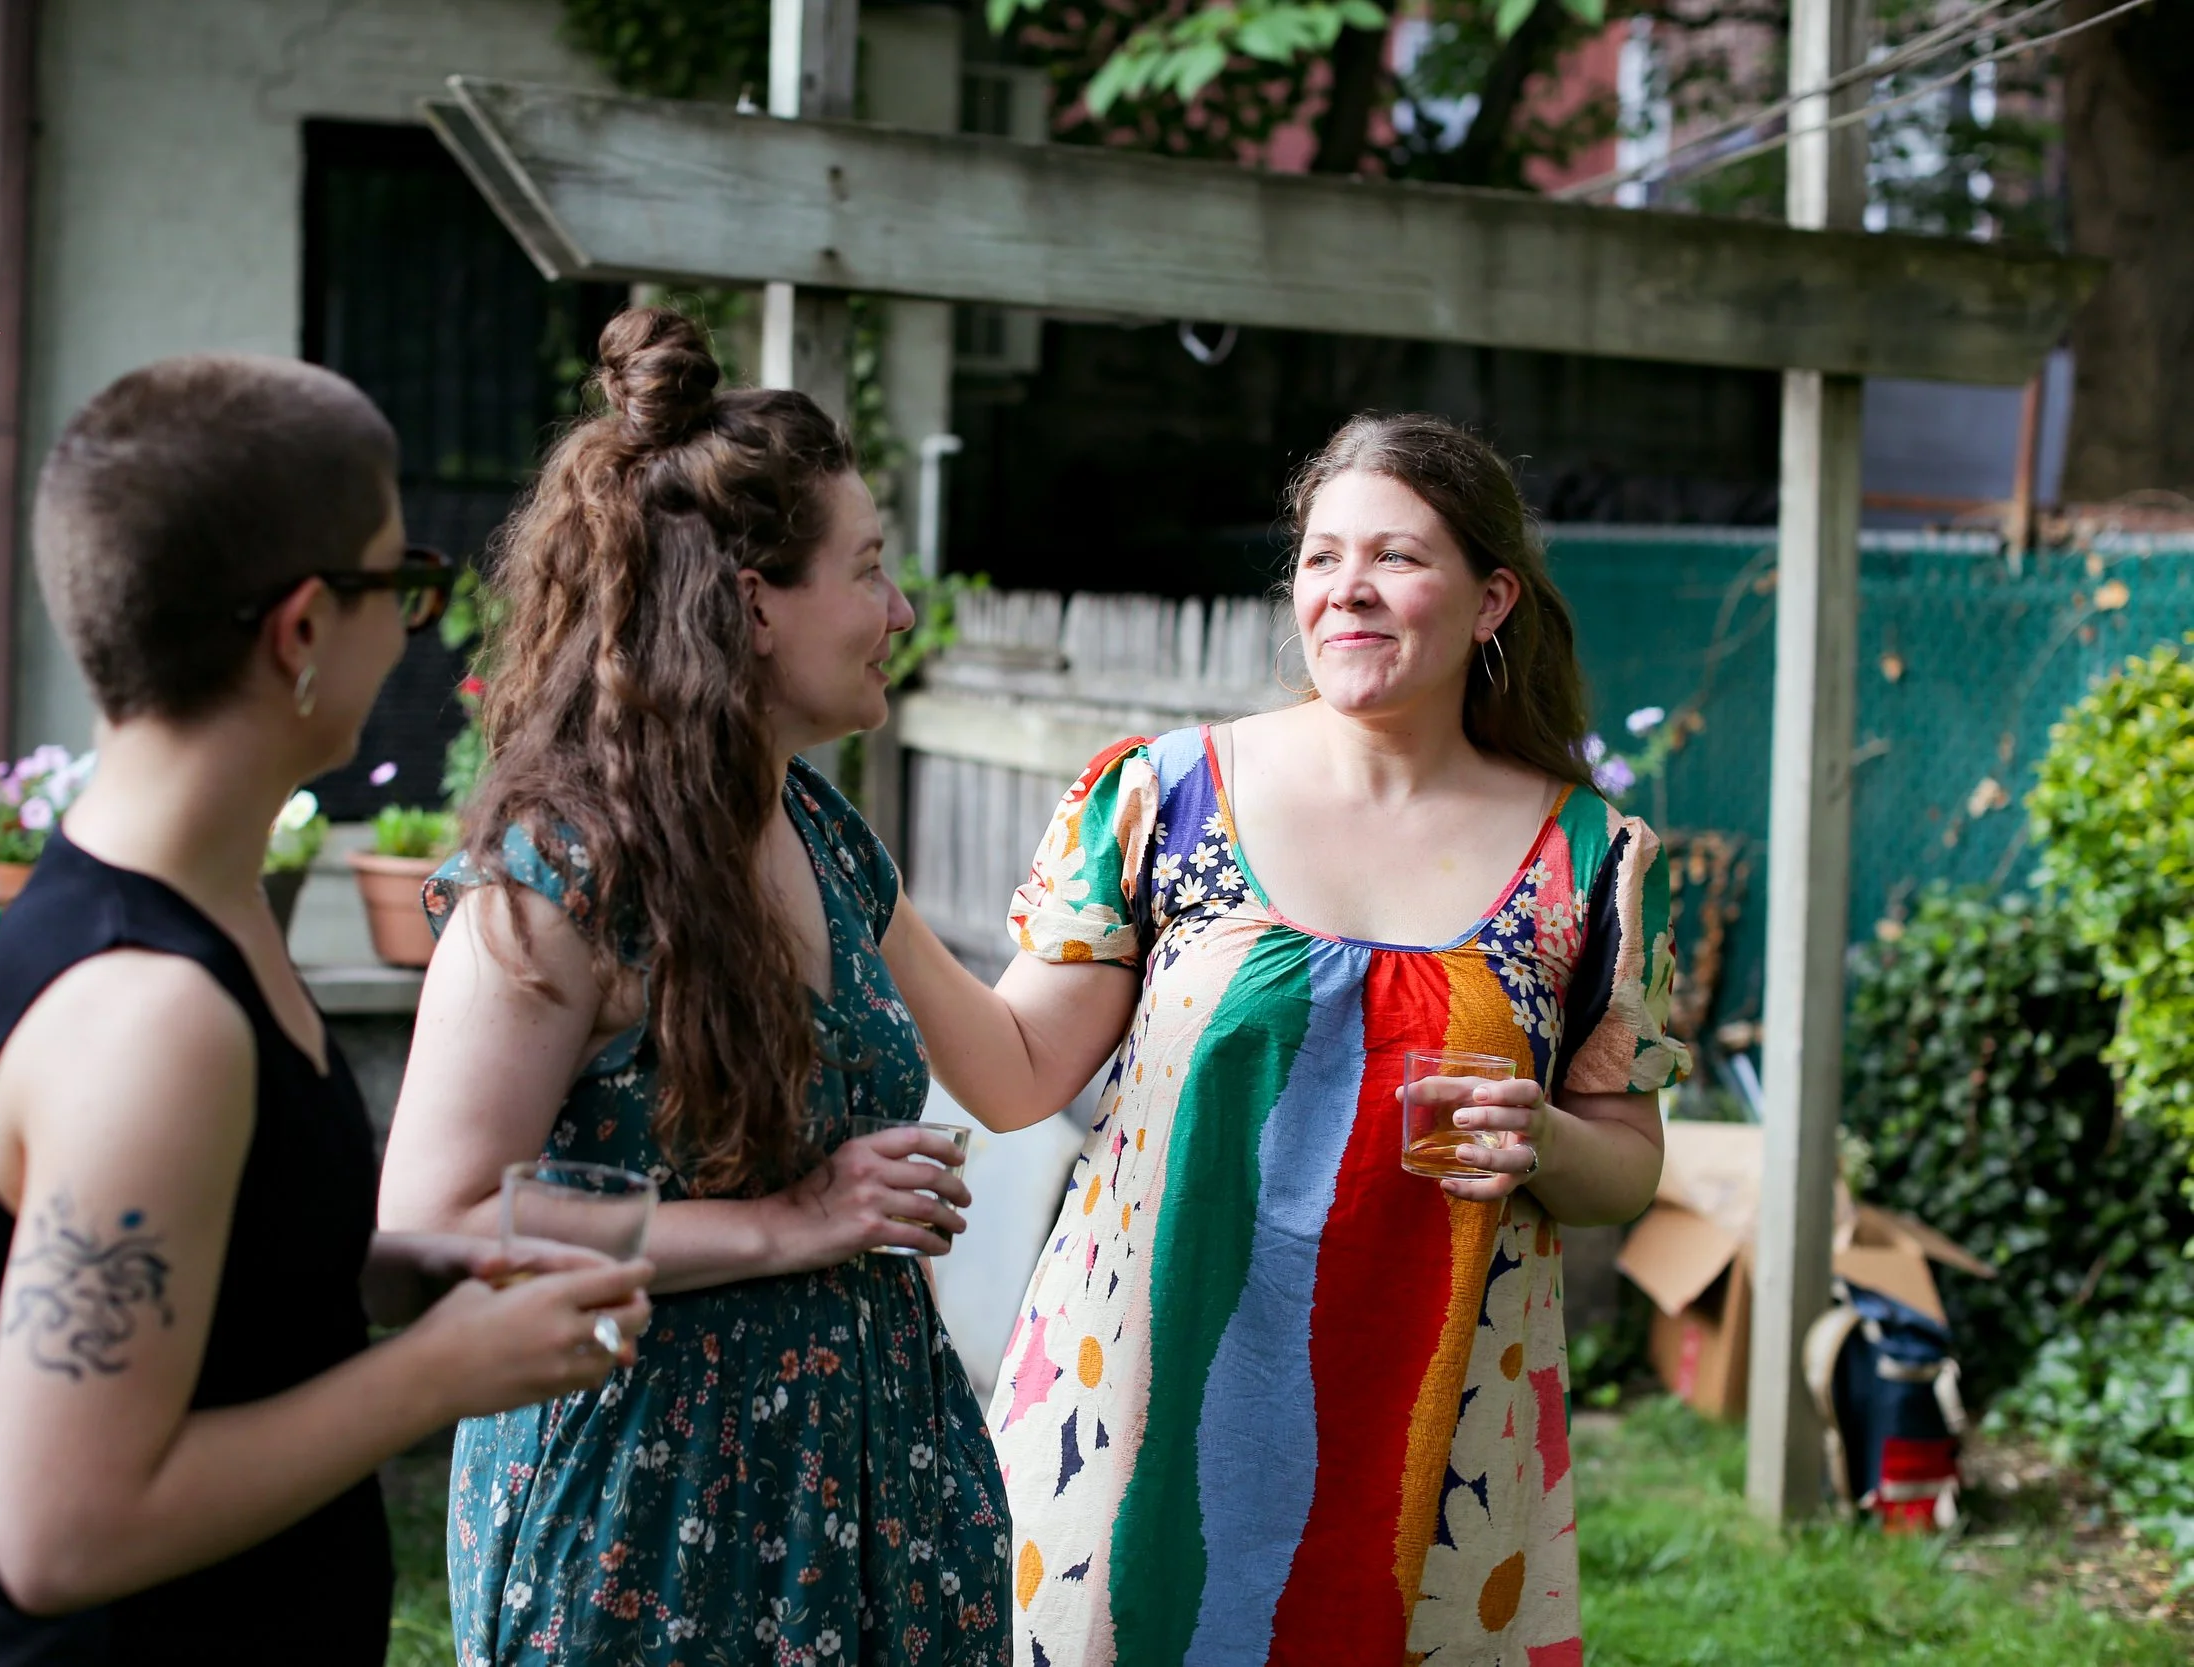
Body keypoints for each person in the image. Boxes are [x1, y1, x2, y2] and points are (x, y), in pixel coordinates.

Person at [879, 413, 1693, 1665]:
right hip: (1144, 1397)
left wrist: (1544, 1140)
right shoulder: (1164, 798)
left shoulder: (1587, 862)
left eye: (1397, 558)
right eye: (1320, 557)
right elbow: (1014, 1072)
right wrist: (865, 898)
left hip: (1435, 1412)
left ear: (1491, 600)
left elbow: (1629, 1164)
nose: (1347, 590)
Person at [0, 354, 651, 1666]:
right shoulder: (150, 1012)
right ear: (304, 629)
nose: (417, 629)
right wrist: (443, 1372)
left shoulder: (207, 911)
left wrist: (423, 1274)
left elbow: (228, 1282)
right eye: (408, 585)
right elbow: (61, 1532)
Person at [375, 306, 1011, 1666]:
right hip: (650, 1509)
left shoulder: (826, 832)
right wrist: (791, 1221)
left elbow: (1012, 1052)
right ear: (748, 599)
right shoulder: (563, 873)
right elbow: (436, 1216)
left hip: (876, 1482)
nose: (900, 609)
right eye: (871, 569)